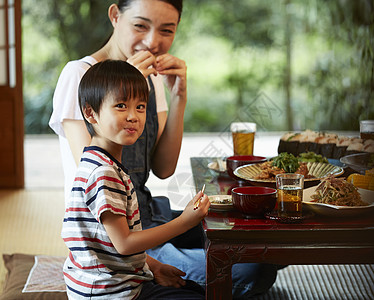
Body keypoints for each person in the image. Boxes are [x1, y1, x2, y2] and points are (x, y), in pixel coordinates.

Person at [49, 0, 278, 297]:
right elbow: (94, 166)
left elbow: (163, 167)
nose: (153, 42)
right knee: (252, 269)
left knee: (260, 237)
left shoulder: (151, 78)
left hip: (149, 212)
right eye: (140, 26)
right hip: (116, 232)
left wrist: (178, 96)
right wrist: (124, 83)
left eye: (166, 30)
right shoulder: (78, 75)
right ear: (115, 16)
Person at [62, 59, 209, 299]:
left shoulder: (101, 161)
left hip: (120, 282)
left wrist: (155, 266)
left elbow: (110, 245)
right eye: (121, 106)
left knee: (193, 291)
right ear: (90, 113)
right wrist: (185, 220)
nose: (133, 116)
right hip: (111, 293)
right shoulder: (103, 173)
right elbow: (125, 243)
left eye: (140, 107)